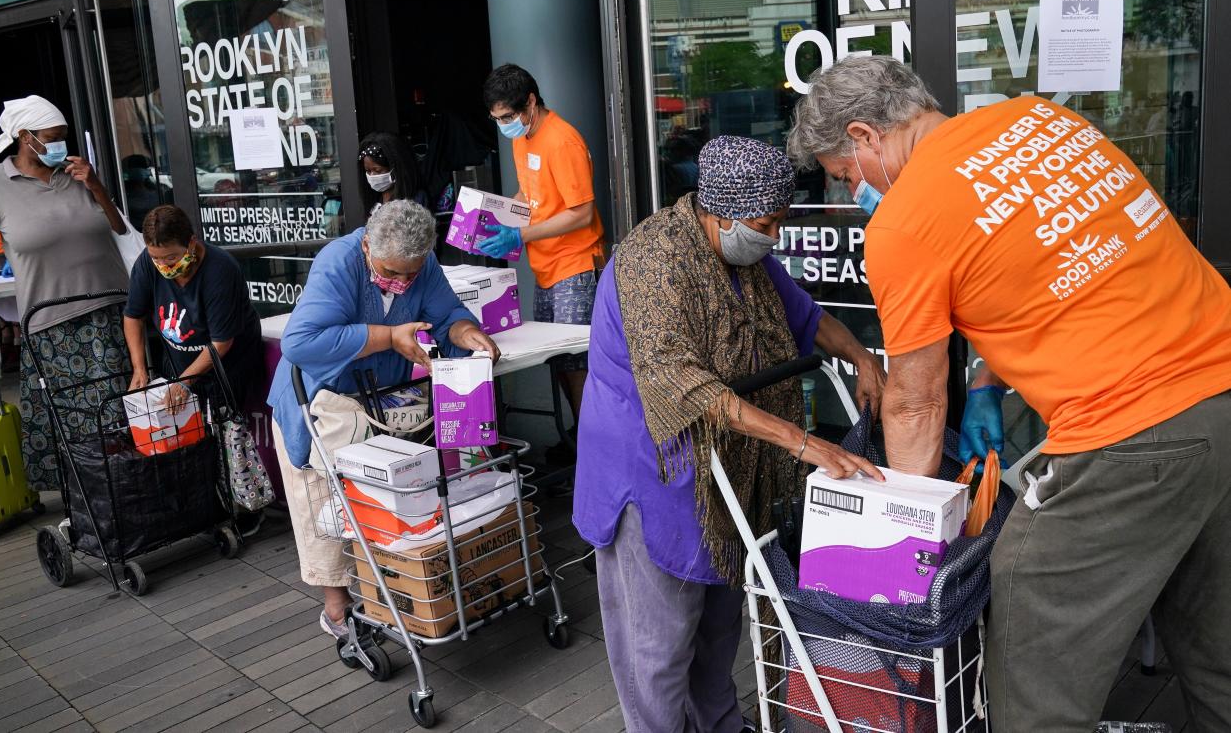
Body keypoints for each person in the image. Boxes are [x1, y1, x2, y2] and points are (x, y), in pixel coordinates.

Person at [787, 55, 1231, 732]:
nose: (855, 195)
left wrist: (908, 546)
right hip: (1221, 391)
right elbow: (1056, 265)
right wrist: (989, 382)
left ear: (866, 136)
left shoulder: (904, 221)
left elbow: (914, 401)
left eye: (847, 176)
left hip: (1131, 430)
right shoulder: (1039, 121)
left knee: (1028, 606)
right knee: (1211, 637)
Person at [573, 136, 886, 732]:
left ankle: (721, 725)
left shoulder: (747, 258)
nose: (773, 236)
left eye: (779, 223)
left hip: (729, 466)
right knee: (659, 643)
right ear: (721, 211)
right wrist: (799, 440)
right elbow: (680, 380)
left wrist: (861, 359)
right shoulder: (651, 261)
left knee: (719, 624)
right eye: (766, 224)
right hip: (653, 467)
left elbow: (807, 316)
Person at [266, 199, 501, 639]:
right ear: (368, 245)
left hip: (382, 401)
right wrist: (387, 336)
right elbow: (300, 342)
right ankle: (337, 609)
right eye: (391, 272)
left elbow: (446, 313)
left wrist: (465, 333)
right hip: (322, 401)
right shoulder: (339, 262)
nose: (400, 282)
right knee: (324, 501)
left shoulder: (423, 264)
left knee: (387, 502)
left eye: (410, 275)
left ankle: (393, 593)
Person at [0, 95, 129, 490]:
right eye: (51, 138)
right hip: (49, 321)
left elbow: (118, 228)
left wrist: (95, 183)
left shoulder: (78, 174)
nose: (59, 147)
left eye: (63, 138)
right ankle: (84, 496)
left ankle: (128, 488)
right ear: (24, 137)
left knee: (118, 410)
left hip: (109, 309)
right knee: (69, 417)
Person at [480, 64, 605, 426]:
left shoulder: (563, 141)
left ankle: (589, 447)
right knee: (559, 363)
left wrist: (519, 235)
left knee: (579, 365)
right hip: (546, 266)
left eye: (507, 116)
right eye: (497, 118)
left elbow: (581, 213)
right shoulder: (523, 138)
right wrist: (498, 216)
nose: (504, 125)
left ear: (530, 102)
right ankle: (576, 439)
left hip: (576, 265)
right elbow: (529, 194)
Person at [123, 205, 263, 412]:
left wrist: (184, 382)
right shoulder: (147, 263)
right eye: (156, 258)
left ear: (191, 243)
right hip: (178, 364)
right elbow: (133, 316)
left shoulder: (220, 271)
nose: (163, 265)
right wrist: (139, 368)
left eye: (171, 257)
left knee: (224, 432)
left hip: (225, 370)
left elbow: (221, 342)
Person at [358, 132, 424, 213]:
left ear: (396, 170)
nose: (372, 176)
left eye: (378, 171)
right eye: (368, 171)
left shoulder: (416, 199)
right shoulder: (376, 197)